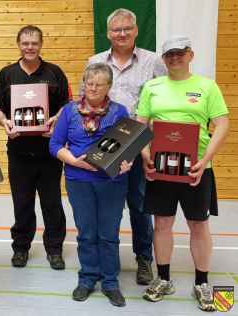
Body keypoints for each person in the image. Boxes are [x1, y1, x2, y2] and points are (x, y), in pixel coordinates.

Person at [138, 36, 229, 312]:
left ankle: (202, 283)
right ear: (163, 59)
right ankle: (163, 278)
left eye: (179, 53)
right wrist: (145, 155)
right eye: (169, 55)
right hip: (161, 167)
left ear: (190, 54)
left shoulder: (206, 86)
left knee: (198, 225)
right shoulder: (152, 87)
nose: (174, 58)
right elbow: (140, 125)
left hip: (196, 169)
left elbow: (222, 123)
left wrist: (206, 159)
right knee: (162, 224)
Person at [86, 8, 167, 285]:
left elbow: (163, 101)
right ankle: (104, 261)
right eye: (116, 29)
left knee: (140, 205)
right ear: (108, 33)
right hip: (104, 145)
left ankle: (144, 259)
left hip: (139, 144)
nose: (121, 34)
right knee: (105, 206)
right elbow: (86, 98)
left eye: (127, 29)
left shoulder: (153, 62)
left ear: (135, 30)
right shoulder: (95, 60)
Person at [50, 63, 132, 307]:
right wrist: (74, 161)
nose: (93, 88)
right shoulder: (68, 111)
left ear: (109, 87)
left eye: (100, 84)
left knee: (108, 234)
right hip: (79, 181)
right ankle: (87, 278)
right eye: (90, 83)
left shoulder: (119, 112)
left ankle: (110, 282)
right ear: (83, 84)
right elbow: (54, 145)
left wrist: (127, 162)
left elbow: (128, 145)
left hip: (112, 181)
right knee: (86, 233)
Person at [0, 25, 70, 270]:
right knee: (22, 203)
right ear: (18, 44)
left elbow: (67, 107)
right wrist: (5, 122)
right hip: (19, 152)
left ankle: (54, 249)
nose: (29, 47)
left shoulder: (55, 73)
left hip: (49, 151)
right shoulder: (7, 74)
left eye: (34, 43)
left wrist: (56, 120)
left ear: (41, 44)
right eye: (25, 43)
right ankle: (21, 248)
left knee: (52, 202)